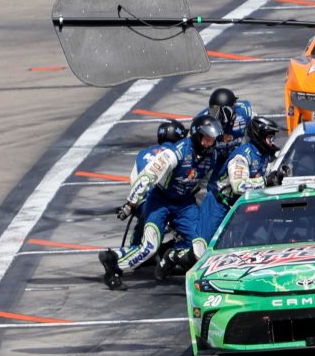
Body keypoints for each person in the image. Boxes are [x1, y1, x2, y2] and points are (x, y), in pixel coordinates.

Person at [98, 116, 223, 289]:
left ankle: (170, 257)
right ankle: (113, 262)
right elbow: (149, 176)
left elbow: (210, 181)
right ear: (196, 135)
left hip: (185, 204)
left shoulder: (213, 155)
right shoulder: (175, 153)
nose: (211, 144)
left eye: (213, 140)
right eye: (207, 139)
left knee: (201, 243)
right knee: (149, 246)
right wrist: (130, 204)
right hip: (160, 201)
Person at [177, 116, 284, 275]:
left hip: (241, 208)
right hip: (219, 204)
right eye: (270, 137)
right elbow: (239, 186)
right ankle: (173, 256)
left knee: (239, 247)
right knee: (202, 250)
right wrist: (266, 181)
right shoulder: (242, 156)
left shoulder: (265, 155)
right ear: (260, 136)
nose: (272, 141)